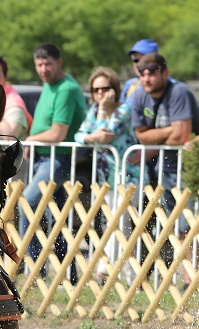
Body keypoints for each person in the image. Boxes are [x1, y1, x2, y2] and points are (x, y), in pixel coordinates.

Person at [19, 43, 87, 279]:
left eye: (48, 63)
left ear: (59, 62)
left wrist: (30, 139)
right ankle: (67, 275)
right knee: (56, 217)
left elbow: (58, 133)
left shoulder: (66, 89)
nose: (43, 69)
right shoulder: (50, 85)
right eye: (39, 64)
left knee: (26, 203)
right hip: (45, 158)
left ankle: (33, 270)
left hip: (59, 160)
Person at [74, 66, 145, 283]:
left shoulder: (123, 110)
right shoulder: (94, 112)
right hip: (106, 178)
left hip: (128, 176)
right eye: (96, 90)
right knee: (111, 224)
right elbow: (79, 135)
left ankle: (107, 270)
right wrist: (91, 135)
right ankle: (126, 275)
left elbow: (105, 135)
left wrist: (103, 112)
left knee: (120, 223)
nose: (100, 94)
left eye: (105, 88)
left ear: (114, 89)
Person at [129, 52, 199, 239]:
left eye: (152, 72)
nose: (146, 78)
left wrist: (153, 141)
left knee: (191, 229)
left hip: (189, 168)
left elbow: (182, 137)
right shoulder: (138, 95)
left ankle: (198, 270)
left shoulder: (179, 91)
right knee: (175, 229)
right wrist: (171, 129)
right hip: (162, 170)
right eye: (142, 73)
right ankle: (186, 270)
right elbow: (141, 136)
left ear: (165, 73)